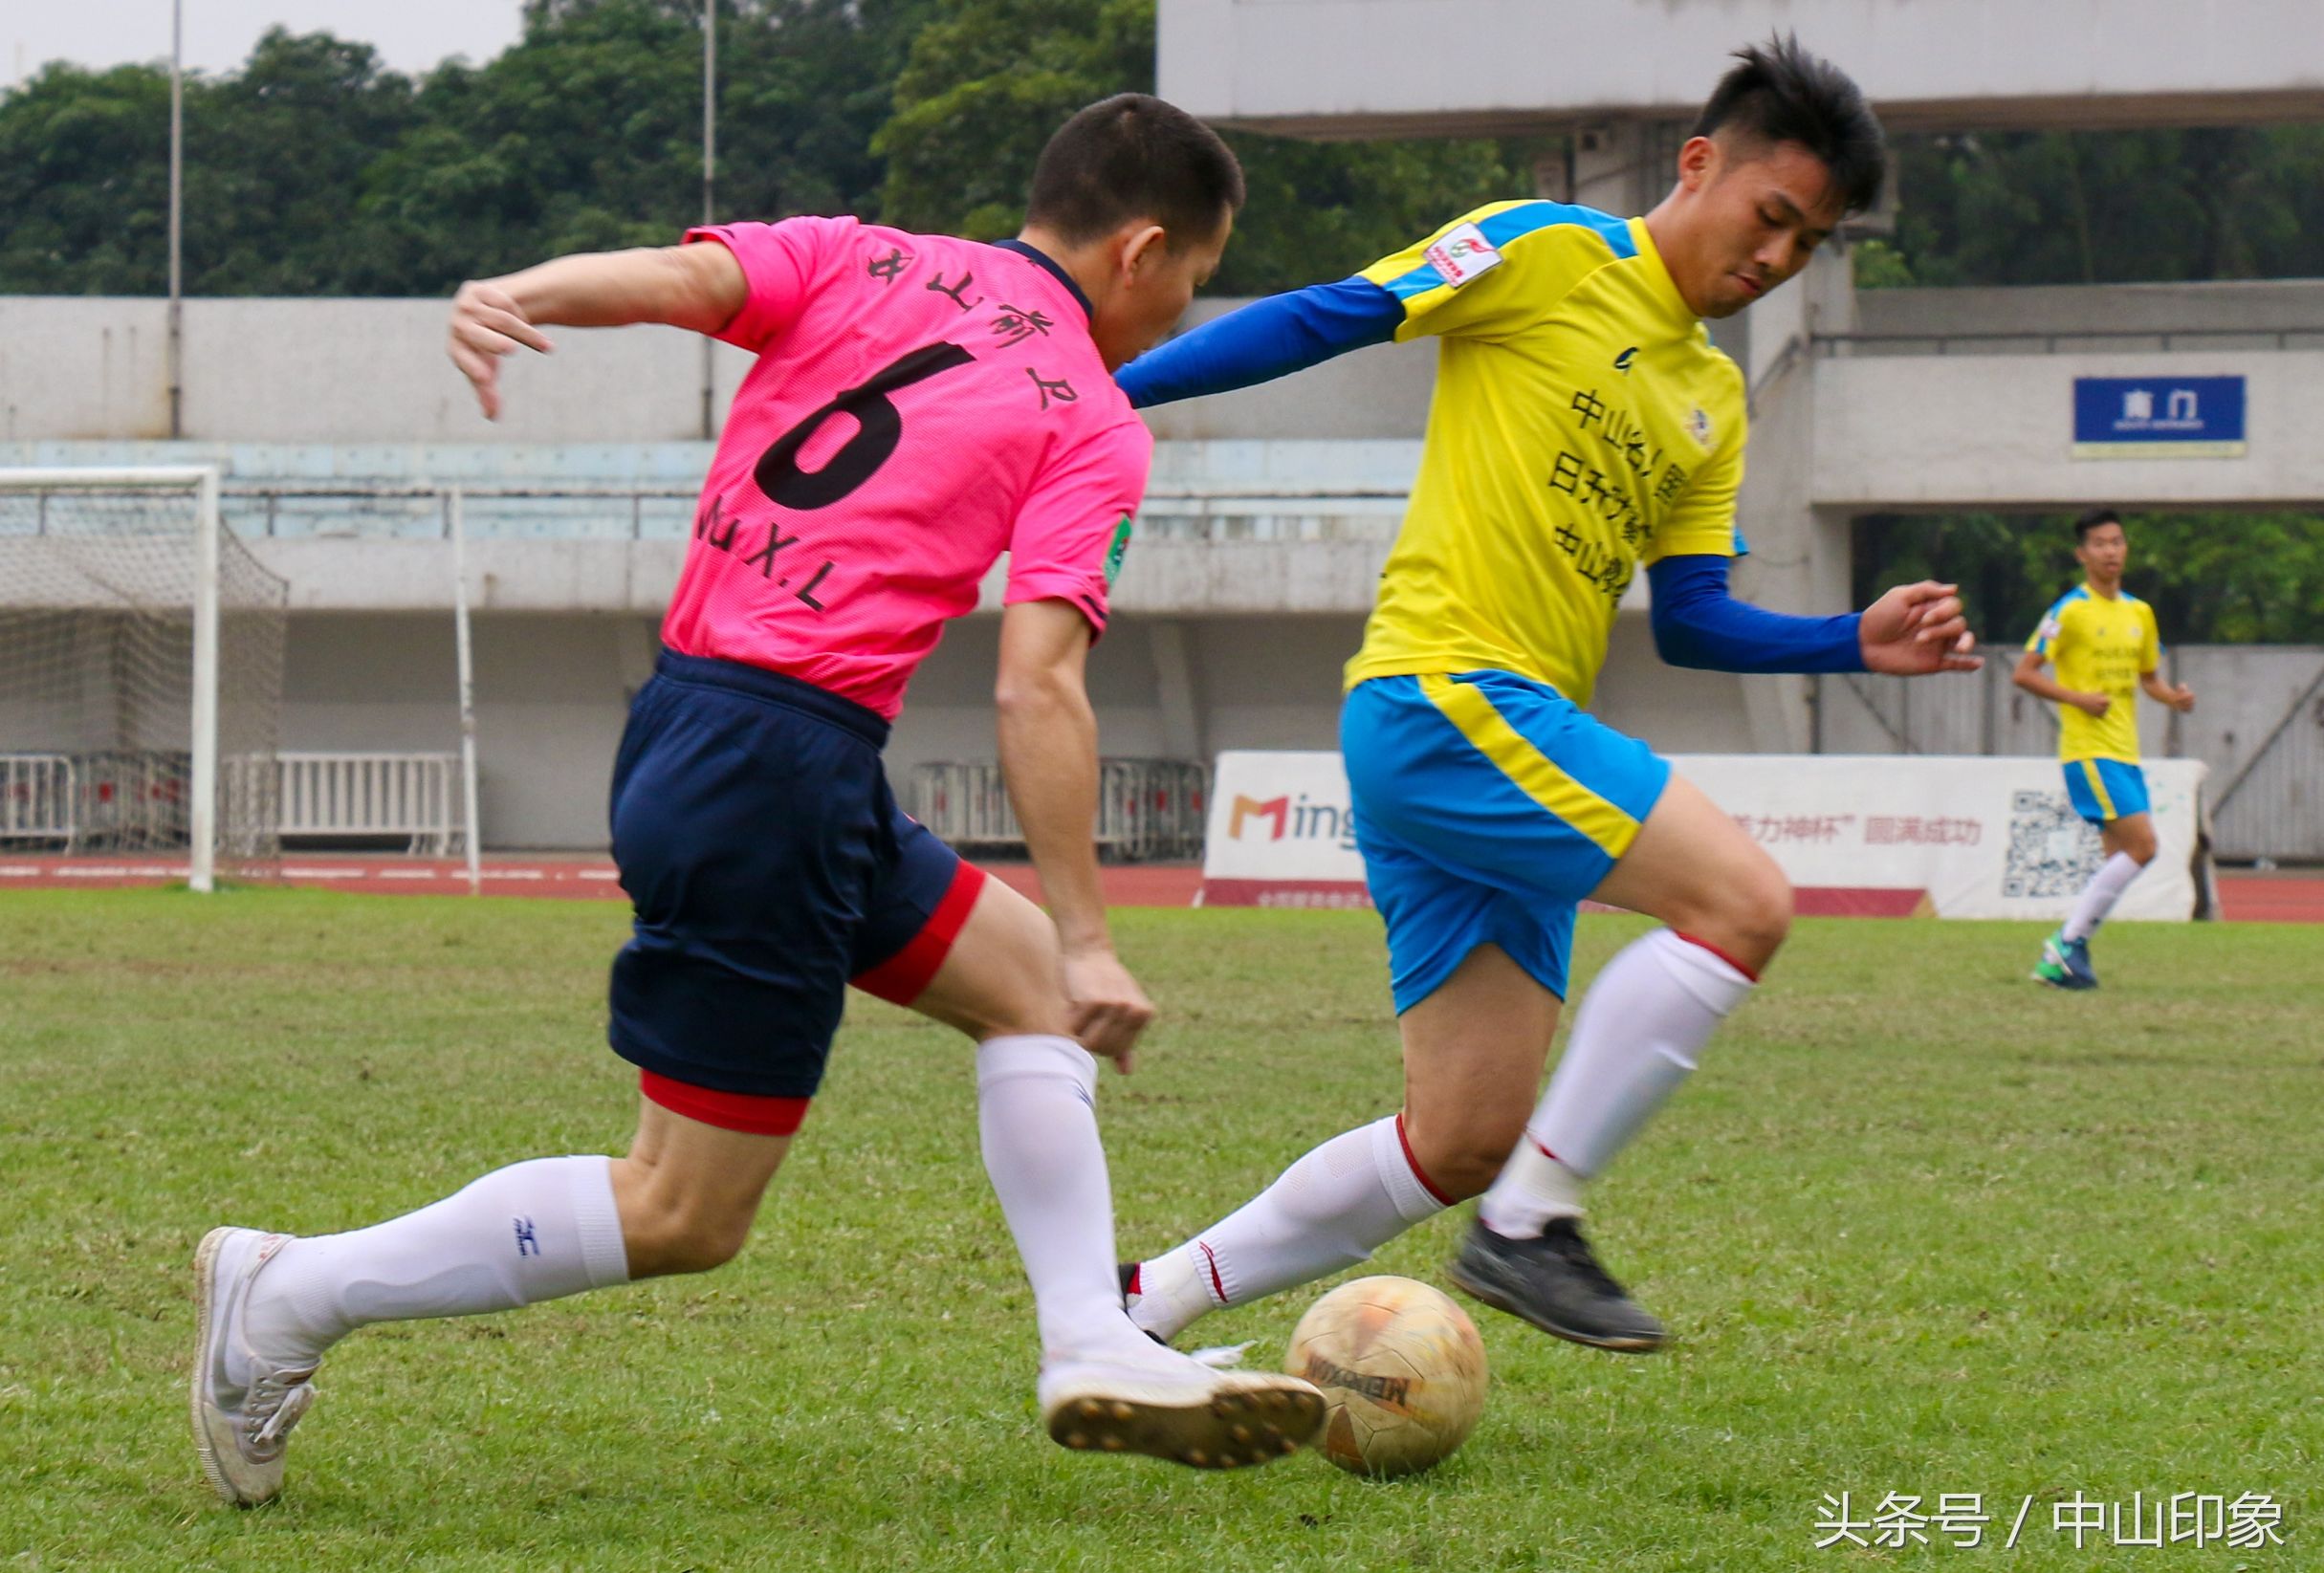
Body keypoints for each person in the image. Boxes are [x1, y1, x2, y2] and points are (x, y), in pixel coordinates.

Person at [188, 93, 1327, 1509]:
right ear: (1144, 249)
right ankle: (286, 1295)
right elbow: (1040, 687)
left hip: (720, 728)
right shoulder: (1090, 416)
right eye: (1192, 285)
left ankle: (1090, 1338)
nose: (1173, 322)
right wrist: (1100, 928)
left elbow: (686, 280)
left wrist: (515, 289)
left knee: (1024, 989)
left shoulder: (868, 255)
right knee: (682, 1207)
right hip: (771, 772)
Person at [1110, 37, 1979, 1356]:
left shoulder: (1709, 397)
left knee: (1460, 1136)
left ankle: (1145, 1308)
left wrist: (1848, 641)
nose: (1777, 258)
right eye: (1772, 217)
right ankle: (1531, 1229)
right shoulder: (1541, 248)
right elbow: (1328, 313)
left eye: (1809, 244)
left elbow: (1690, 624)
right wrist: (1102, 388)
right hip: (1445, 696)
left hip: (1493, 747)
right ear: (1698, 164)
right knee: (1741, 902)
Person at [2013, 509, 2196, 989]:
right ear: (2082, 554)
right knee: (2145, 846)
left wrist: (2172, 697)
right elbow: (2024, 672)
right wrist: (2077, 699)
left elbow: (2149, 678)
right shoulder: (2068, 611)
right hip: (2088, 751)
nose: (2110, 551)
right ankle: (2066, 944)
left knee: (2121, 856)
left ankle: (2069, 955)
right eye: (2100, 543)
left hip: (2125, 752)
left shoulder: (2140, 613)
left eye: (2117, 542)